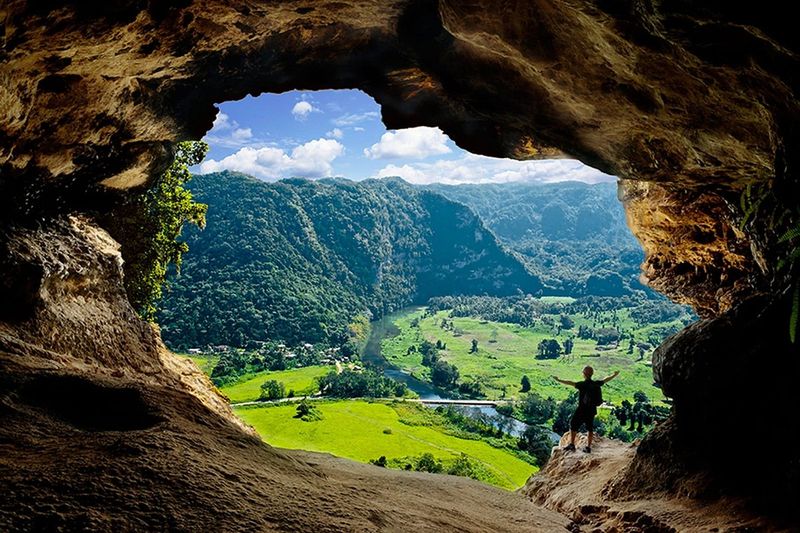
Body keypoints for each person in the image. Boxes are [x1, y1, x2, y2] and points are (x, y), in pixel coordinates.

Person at [552, 366, 619, 453]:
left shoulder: (582, 385)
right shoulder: (596, 384)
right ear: (592, 374)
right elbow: (606, 380)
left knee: (573, 424)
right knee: (590, 428)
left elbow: (570, 383)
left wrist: (559, 380)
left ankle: (572, 444)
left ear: (584, 374)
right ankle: (588, 447)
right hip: (591, 410)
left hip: (581, 409)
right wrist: (614, 375)